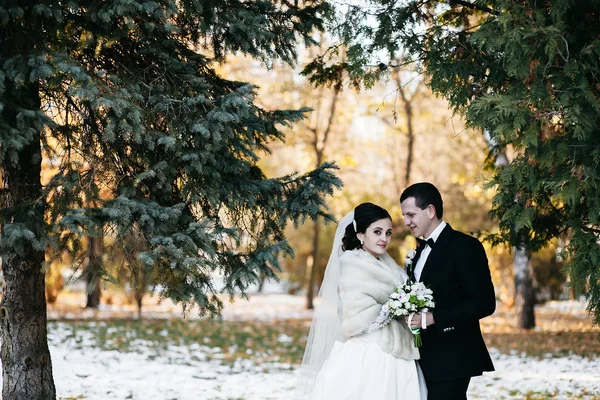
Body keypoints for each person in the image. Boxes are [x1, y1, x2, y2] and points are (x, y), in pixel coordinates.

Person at [295, 202, 427, 400]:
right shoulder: (352, 265)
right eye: (377, 232)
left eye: (388, 233)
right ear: (360, 235)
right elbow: (358, 320)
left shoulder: (385, 262)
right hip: (371, 353)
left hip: (397, 350)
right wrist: (395, 306)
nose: (384, 238)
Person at [399, 182, 496, 400]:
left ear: (431, 210)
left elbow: (484, 302)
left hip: (453, 357)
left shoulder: (466, 247)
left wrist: (434, 318)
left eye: (411, 215)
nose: (406, 222)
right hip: (422, 357)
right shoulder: (417, 252)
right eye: (405, 216)